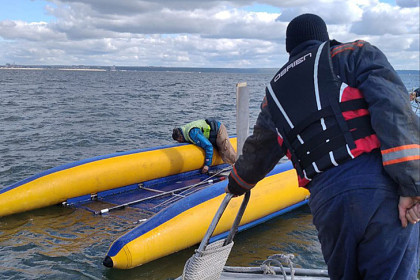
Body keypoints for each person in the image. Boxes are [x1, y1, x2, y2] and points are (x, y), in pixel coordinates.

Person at [226, 13, 419, 280]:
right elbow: (394, 113)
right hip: (380, 190)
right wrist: (412, 186)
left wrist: (235, 184)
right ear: (324, 38)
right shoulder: (355, 54)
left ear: (288, 49)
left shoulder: (274, 95)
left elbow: (257, 154)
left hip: (328, 205)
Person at [172, 119, 237, 173]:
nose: (180, 142)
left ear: (180, 137)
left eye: (179, 141)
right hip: (211, 134)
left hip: (218, 130)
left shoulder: (193, 133)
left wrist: (207, 165)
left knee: (226, 152)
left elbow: (208, 146)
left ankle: (241, 166)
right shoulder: (184, 131)